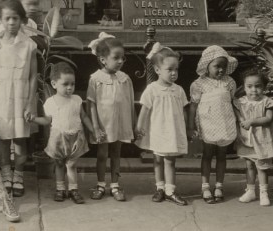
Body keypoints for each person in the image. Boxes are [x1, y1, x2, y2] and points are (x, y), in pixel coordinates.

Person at [0, 0, 37, 197]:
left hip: (21, 94)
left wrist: (31, 102)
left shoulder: (29, 45)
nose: (12, 22)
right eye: (8, 19)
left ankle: (19, 174)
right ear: (0, 20)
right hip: (1, 95)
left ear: (22, 20)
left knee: (20, 138)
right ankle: (6, 173)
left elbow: (32, 76)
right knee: (4, 138)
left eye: (16, 18)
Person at [32, 62, 94, 204]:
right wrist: (34, 119)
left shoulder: (76, 100)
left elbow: (83, 116)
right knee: (59, 164)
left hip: (75, 136)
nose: (70, 88)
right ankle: (60, 189)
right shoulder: (50, 102)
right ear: (54, 84)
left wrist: (92, 129)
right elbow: (47, 120)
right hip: (58, 137)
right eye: (65, 84)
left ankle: (73, 189)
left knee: (72, 164)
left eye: (72, 84)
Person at [135, 44, 188, 206]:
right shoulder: (152, 89)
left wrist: (186, 128)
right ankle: (160, 188)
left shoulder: (178, 90)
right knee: (157, 159)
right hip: (157, 129)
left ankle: (170, 190)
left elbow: (183, 110)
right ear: (157, 70)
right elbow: (144, 110)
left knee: (170, 160)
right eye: (169, 69)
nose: (174, 73)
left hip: (172, 130)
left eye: (176, 69)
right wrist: (139, 127)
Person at [86, 33, 134, 201]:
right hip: (103, 124)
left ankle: (115, 185)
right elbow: (91, 103)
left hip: (119, 123)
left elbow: (129, 103)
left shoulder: (125, 79)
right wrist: (96, 127)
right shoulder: (95, 79)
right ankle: (100, 184)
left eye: (122, 58)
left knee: (116, 153)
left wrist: (132, 124)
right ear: (103, 59)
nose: (120, 61)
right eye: (116, 58)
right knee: (102, 154)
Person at [189, 45, 238, 203]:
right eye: (217, 66)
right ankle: (205, 187)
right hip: (207, 122)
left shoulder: (229, 82)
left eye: (224, 67)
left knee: (222, 155)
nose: (221, 70)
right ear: (207, 65)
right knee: (207, 154)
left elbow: (233, 102)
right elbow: (193, 106)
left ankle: (219, 186)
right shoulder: (199, 84)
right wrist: (191, 126)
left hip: (224, 121)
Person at [235, 70, 273, 206]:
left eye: (258, 86)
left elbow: (268, 119)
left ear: (264, 87)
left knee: (262, 166)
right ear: (244, 86)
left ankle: (264, 192)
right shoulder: (241, 102)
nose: (253, 90)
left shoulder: (267, 102)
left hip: (262, 140)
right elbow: (237, 114)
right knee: (249, 165)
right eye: (249, 86)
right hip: (247, 140)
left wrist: (252, 121)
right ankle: (251, 190)